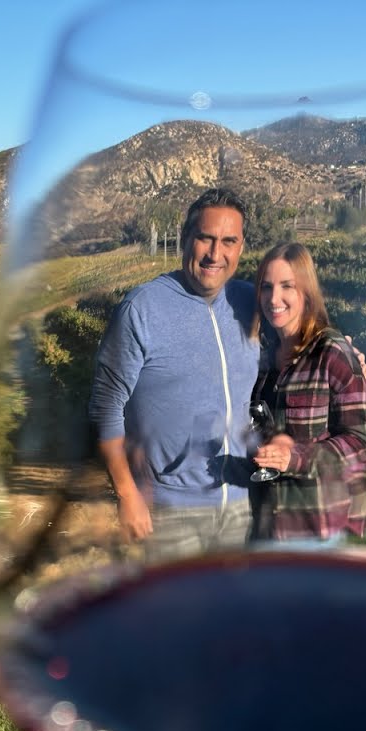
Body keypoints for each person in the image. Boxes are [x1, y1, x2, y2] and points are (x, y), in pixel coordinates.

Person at [88, 188, 259, 561]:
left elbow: (301, 345)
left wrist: (346, 358)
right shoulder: (142, 308)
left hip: (240, 505)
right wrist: (128, 495)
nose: (216, 254)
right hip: (168, 512)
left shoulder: (251, 302)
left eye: (229, 241)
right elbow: (105, 407)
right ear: (185, 239)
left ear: (241, 247)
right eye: (205, 239)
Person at [249, 242, 366, 544]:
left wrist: (294, 458)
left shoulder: (332, 353)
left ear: (306, 292)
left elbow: (360, 443)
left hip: (322, 529)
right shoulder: (261, 358)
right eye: (266, 287)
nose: (274, 298)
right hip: (268, 528)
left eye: (286, 286)